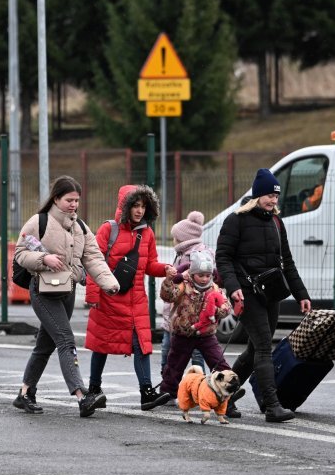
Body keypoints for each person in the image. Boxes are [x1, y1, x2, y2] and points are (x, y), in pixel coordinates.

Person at [12, 175, 120, 417]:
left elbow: (93, 258)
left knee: (45, 344)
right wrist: (43, 258)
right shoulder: (38, 222)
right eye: (69, 200)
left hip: (67, 290)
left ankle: (24, 393)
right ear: (56, 198)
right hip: (43, 290)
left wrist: (109, 284)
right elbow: (20, 253)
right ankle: (82, 396)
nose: (73, 205)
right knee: (66, 340)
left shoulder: (80, 227)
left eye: (77, 201)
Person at [216, 169, 312, 422]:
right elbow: (223, 257)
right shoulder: (235, 220)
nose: (273, 201)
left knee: (253, 349)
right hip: (247, 294)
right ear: (257, 195)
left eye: (276, 197)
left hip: (271, 293)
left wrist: (301, 293)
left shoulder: (276, 222)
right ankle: (272, 405)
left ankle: (222, 396)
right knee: (263, 348)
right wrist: (232, 286)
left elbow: (287, 262)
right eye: (269, 195)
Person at [85, 185, 176, 411]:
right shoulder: (109, 229)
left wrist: (165, 269)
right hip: (110, 298)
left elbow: (149, 265)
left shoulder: (147, 233)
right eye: (135, 205)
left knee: (142, 345)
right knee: (102, 344)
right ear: (125, 206)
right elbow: (93, 263)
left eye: (143, 206)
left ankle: (146, 392)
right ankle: (94, 388)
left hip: (136, 301)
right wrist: (93, 294)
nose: (139, 211)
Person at [159, 250, 235, 397]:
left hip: (207, 334)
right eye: (201, 275)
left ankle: (229, 390)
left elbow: (226, 307)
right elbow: (168, 296)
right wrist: (169, 281)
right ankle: (167, 391)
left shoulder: (214, 289)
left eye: (208, 275)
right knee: (175, 365)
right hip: (184, 333)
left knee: (218, 361)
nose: (205, 279)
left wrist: (218, 311)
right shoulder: (183, 285)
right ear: (192, 274)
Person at [160, 212, 209, 375]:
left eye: (175, 237)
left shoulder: (197, 256)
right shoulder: (182, 253)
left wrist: (176, 276)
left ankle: (191, 382)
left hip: (189, 313)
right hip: (179, 314)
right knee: (174, 348)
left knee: (185, 349)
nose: (173, 240)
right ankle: (171, 380)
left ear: (183, 238)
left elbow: (193, 281)